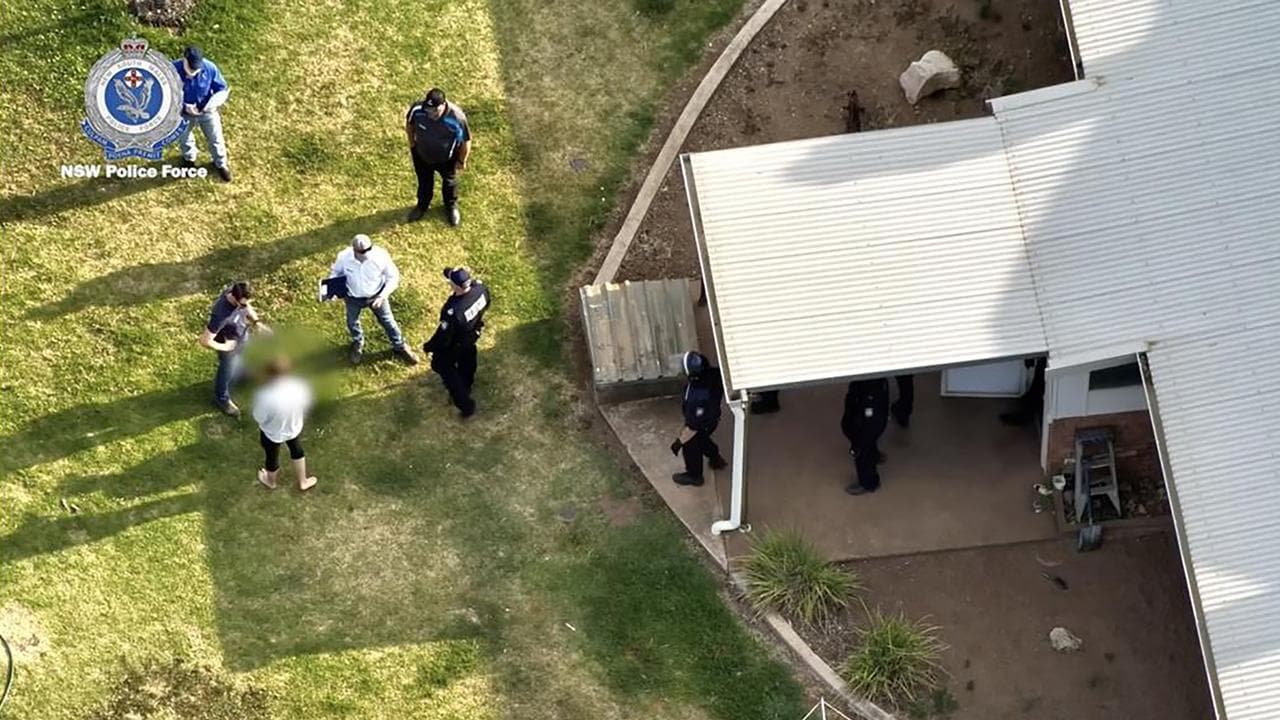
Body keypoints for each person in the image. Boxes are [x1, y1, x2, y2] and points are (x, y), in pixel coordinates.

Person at [329, 234, 419, 366]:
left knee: (389, 322)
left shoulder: (380, 256)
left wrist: (382, 296)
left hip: (376, 295)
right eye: (361, 252)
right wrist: (332, 290)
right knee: (352, 322)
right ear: (353, 249)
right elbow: (336, 272)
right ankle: (358, 342)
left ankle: (400, 346)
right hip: (353, 297)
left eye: (367, 250)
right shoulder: (344, 257)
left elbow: (393, 277)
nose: (365, 253)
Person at [422, 267, 490, 417]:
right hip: (473, 333)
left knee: (442, 366)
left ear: (456, 286)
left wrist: (429, 346)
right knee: (469, 357)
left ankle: (466, 404)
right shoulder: (480, 289)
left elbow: (443, 337)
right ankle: (467, 382)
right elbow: (487, 303)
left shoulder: (453, 311)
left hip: (456, 342)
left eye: (450, 282)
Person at [199, 281, 268, 417]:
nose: (245, 306)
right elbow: (204, 341)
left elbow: (247, 307)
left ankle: (243, 374)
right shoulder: (221, 314)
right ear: (234, 297)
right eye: (242, 304)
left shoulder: (238, 292)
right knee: (227, 370)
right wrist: (224, 347)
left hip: (242, 336)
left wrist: (257, 323)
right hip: (229, 346)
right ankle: (222, 398)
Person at [405, 87, 472, 226]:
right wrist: (413, 144)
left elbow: (466, 141)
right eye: (428, 110)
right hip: (422, 155)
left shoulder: (457, 118)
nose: (431, 114)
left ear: (444, 104)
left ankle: (451, 207)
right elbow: (410, 124)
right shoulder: (417, 110)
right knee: (424, 181)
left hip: (446, 158)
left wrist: (461, 160)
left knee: (449, 183)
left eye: (435, 110)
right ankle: (422, 205)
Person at [251, 356, 317, 491]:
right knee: (297, 450)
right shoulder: (299, 387)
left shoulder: (265, 396)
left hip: (272, 433)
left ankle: (271, 482)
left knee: (272, 457)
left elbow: (259, 417)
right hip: (294, 427)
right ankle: (303, 481)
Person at [174, 45, 232, 182]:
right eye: (190, 68)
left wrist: (212, 104)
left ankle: (221, 163)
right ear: (184, 59)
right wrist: (184, 107)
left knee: (215, 137)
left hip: (207, 111)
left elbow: (221, 88)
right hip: (183, 113)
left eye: (196, 69)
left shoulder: (210, 68)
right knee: (184, 137)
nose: (192, 72)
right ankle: (189, 160)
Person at [670, 351, 727, 487]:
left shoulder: (697, 397)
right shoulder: (713, 374)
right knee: (701, 439)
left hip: (703, 421)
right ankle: (715, 458)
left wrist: (679, 442)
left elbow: (693, 425)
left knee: (690, 445)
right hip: (711, 417)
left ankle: (694, 475)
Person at [841, 378, 889, 495]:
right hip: (868, 399)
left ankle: (868, 483)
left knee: (861, 448)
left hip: (867, 410)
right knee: (867, 438)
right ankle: (874, 455)